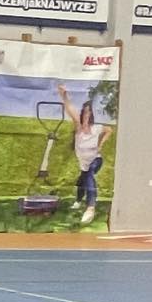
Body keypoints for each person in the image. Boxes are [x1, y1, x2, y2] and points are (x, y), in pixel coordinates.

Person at [55, 81, 113, 226]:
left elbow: (109, 130)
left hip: (96, 160)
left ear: (92, 115)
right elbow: (70, 110)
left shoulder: (96, 128)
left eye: (89, 112)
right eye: (85, 112)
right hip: (84, 163)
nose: (87, 115)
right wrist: (64, 96)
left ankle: (90, 207)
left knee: (89, 174)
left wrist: (101, 143)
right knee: (82, 180)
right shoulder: (79, 128)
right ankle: (78, 200)